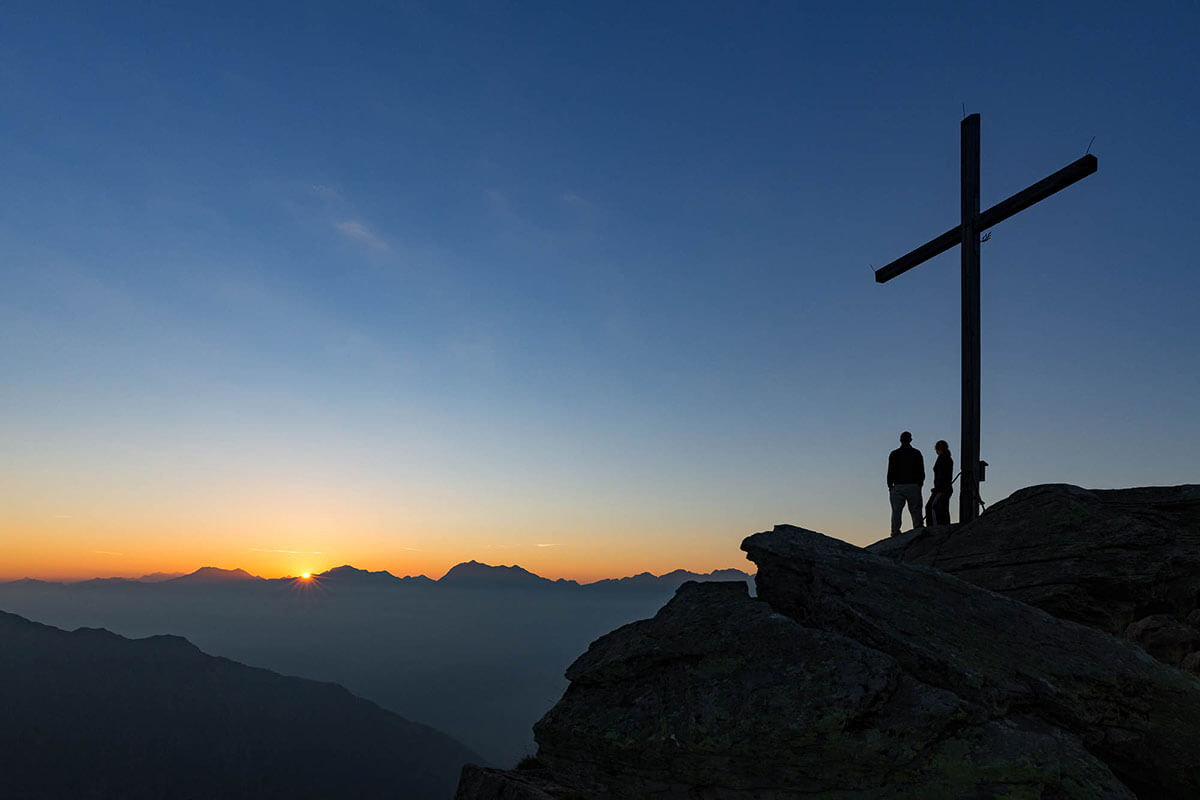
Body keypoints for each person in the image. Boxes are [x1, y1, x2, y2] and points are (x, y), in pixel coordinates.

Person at [887, 431, 925, 536]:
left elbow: (890, 471)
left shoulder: (894, 454)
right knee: (915, 510)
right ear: (910, 440)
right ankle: (918, 529)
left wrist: (890, 485)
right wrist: (919, 484)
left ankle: (895, 532)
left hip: (899, 486)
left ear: (900, 440)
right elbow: (921, 470)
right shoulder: (916, 453)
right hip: (911, 485)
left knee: (896, 511)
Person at [928, 440, 954, 526]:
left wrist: (938, 487)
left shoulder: (943, 458)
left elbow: (942, 475)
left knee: (932, 507)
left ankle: (934, 528)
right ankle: (944, 526)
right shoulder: (947, 458)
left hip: (942, 488)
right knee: (943, 508)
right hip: (944, 487)